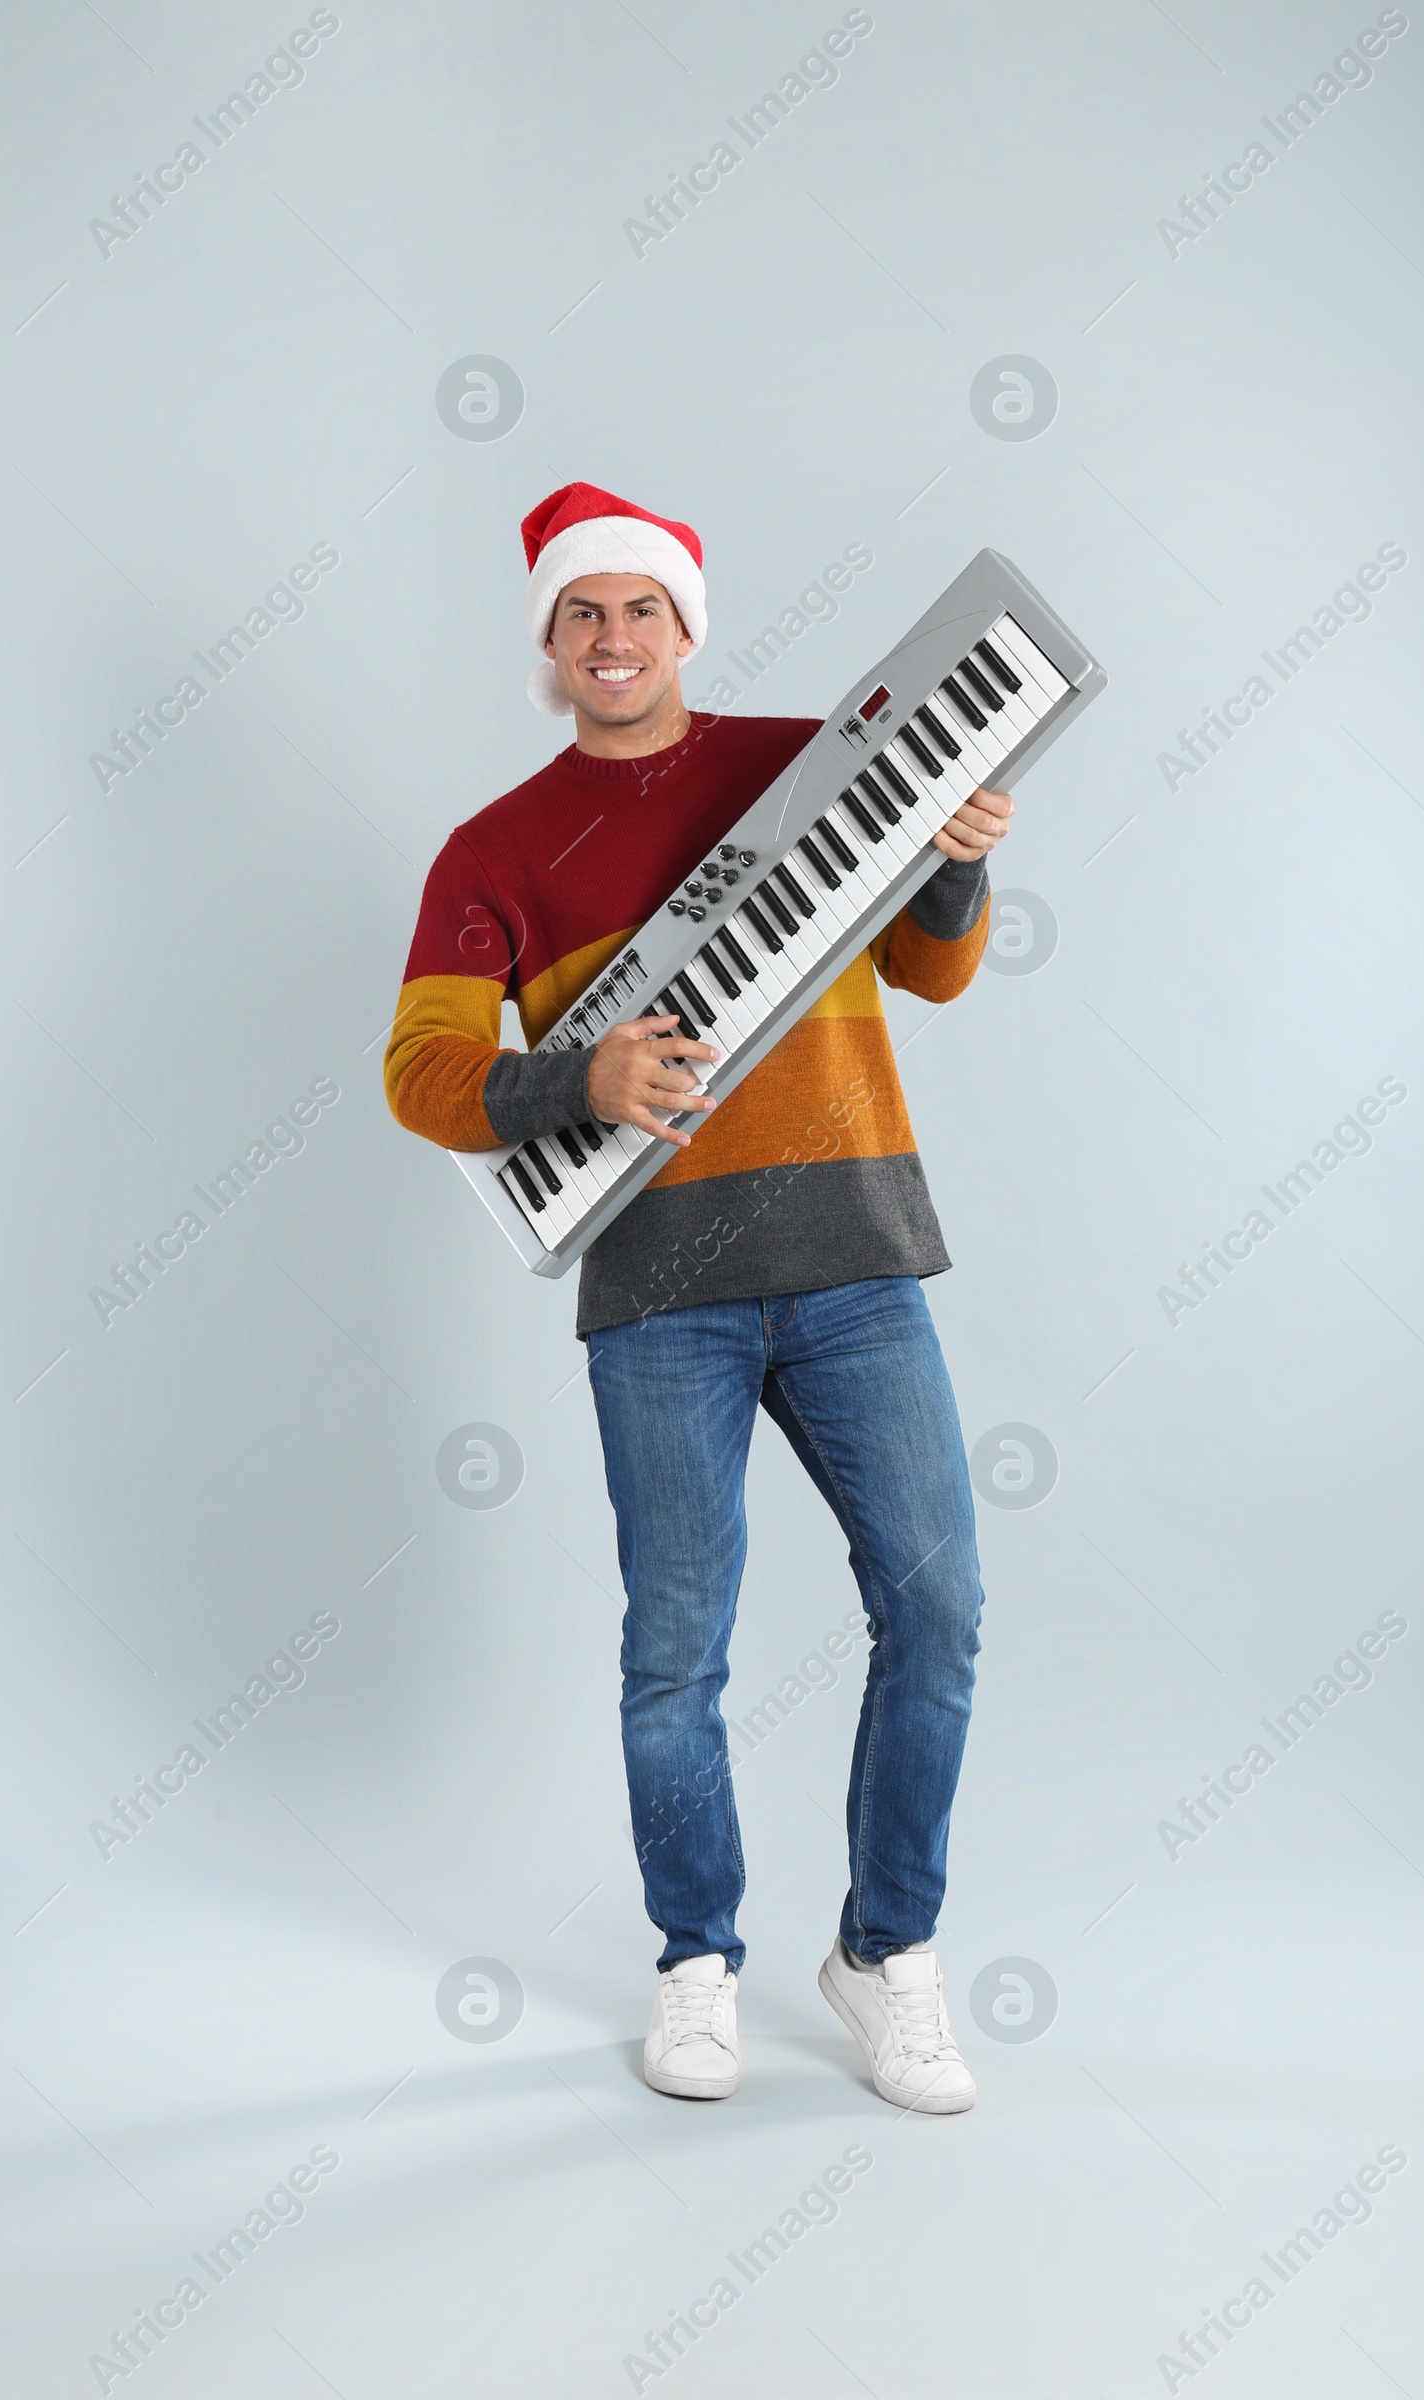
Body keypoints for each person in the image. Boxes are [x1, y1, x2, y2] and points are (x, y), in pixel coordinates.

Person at [385, 483, 1012, 2114]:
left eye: (640, 610)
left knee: (937, 1608)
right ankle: (697, 1965)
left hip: (855, 1263)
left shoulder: (803, 766)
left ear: (686, 626)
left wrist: (947, 867)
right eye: (582, 614)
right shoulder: (494, 852)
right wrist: (574, 1074)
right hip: (660, 1291)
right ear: (550, 642)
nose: (615, 639)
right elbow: (423, 1074)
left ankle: (888, 1955)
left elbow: (934, 969)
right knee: (676, 1650)